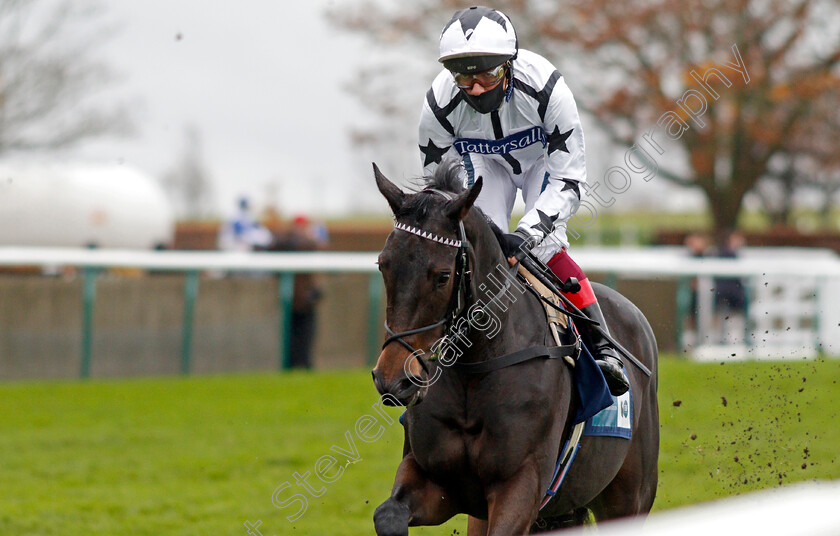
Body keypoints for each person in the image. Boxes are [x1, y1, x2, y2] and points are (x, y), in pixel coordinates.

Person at [419, 6, 627, 395]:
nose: (476, 87)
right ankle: (449, 343)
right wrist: (491, 232)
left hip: (542, 162)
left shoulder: (548, 89)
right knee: (475, 243)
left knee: (545, 246)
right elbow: (442, 192)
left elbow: (568, 180)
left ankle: (603, 344)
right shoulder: (438, 105)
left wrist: (528, 232)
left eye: (486, 74)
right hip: (482, 165)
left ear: (509, 65)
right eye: (464, 76)